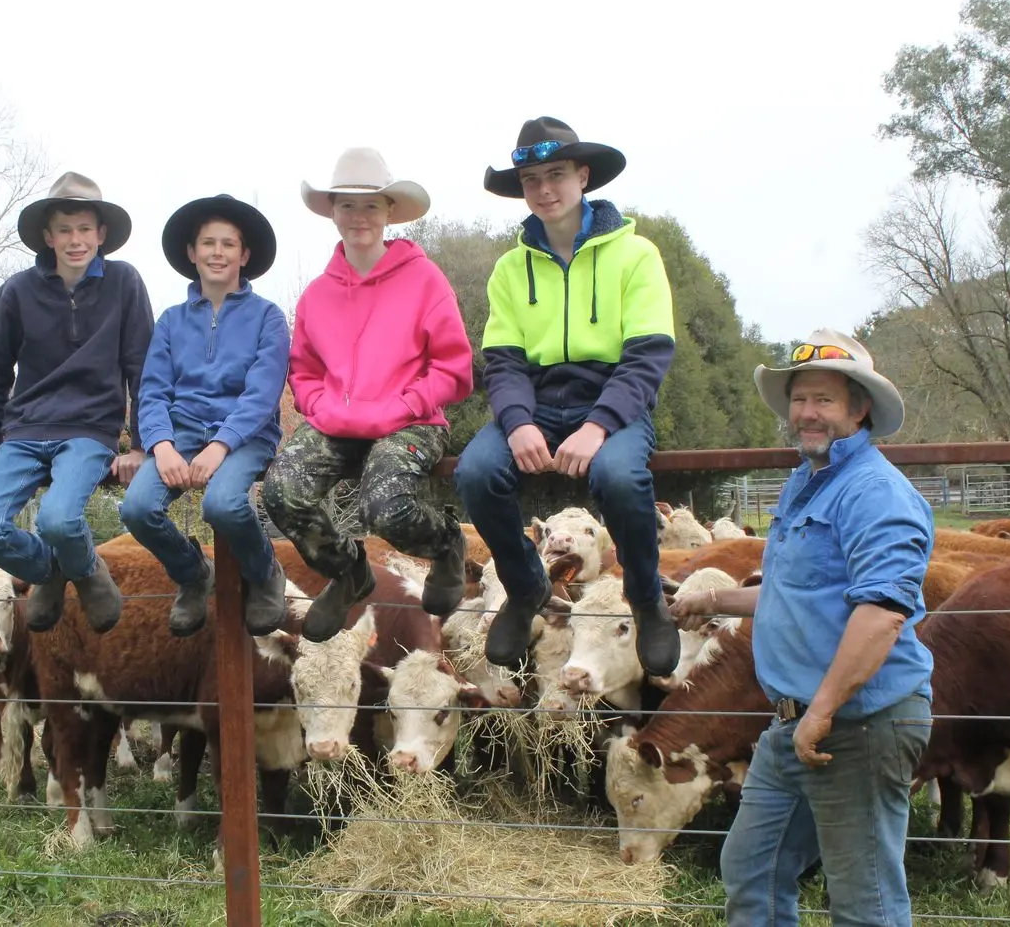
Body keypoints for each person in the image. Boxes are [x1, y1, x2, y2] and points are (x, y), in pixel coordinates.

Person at [671, 329, 935, 925]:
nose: (807, 414)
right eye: (799, 399)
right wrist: (711, 598)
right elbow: (792, 593)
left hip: (859, 721)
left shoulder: (875, 494)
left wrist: (821, 712)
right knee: (751, 867)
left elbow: (883, 613)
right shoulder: (807, 481)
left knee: (863, 896)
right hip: (794, 721)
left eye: (824, 400)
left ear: (858, 409)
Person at [453, 116, 681, 672]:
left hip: (612, 400)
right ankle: (525, 584)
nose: (545, 189)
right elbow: (502, 361)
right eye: (531, 179)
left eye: (557, 174)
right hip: (534, 401)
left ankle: (647, 599)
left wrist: (598, 425)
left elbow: (647, 356)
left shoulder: (636, 255)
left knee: (621, 478)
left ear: (584, 176)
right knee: (476, 473)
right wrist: (518, 421)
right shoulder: (510, 268)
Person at [262, 148, 474, 643]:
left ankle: (446, 545)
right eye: (347, 205)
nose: (359, 217)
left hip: (410, 419)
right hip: (337, 422)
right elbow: (305, 370)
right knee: (281, 490)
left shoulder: (425, 280)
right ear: (332, 212)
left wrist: (403, 406)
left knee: (388, 506)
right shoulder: (317, 294)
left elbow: (454, 367)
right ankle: (348, 569)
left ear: (389, 213)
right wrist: (319, 408)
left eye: (371, 205)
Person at [0, 172, 154, 633]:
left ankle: (83, 570)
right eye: (64, 230)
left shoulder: (124, 283)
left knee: (59, 520)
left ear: (101, 234)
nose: (75, 240)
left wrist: (141, 444)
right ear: (48, 236)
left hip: (89, 431)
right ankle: (56, 570)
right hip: (23, 433)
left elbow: (142, 369)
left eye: (85, 229)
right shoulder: (17, 291)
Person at [119, 194, 290, 636]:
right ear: (192, 253)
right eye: (208, 243)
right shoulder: (172, 321)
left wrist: (221, 446)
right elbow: (152, 390)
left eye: (228, 244)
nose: (218, 252)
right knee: (137, 508)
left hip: (246, 435)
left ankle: (266, 572)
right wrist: (161, 445)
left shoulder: (268, 317)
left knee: (224, 504)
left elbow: (262, 392)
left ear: (244, 255)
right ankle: (193, 574)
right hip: (181, 432)